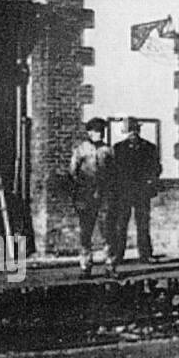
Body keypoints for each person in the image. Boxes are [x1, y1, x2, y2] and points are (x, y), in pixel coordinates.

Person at [69, 117, 117, 278]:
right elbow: (73, 172)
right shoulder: (81, 150)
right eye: (96, 131)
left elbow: (113, 172)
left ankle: (110, 265)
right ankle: (85, 266)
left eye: (101, 131)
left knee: (108, 231)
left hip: (104, 195)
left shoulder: (108, 150)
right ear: (89, 132)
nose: (99, 134)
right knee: (86, 232)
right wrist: (80, 192)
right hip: (86, 195)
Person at [112, 117, 160, 264]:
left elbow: (157, 167)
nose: (133, 134)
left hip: (142, 192)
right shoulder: (118, 148)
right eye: (130, 130)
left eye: (135, 130)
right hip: (124, 192)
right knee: (121, 224)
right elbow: (114, 170)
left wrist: (150, 179)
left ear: (138, 131)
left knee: (143, 224)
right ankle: (117, 255)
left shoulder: (149, 147)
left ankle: (145, 255)